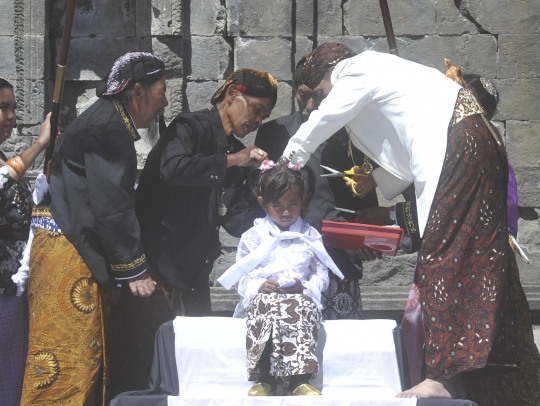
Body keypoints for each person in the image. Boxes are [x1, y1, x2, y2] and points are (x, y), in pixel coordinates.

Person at [280, 42, 540, 404]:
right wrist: (378, 179)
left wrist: (290, 157)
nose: (321, 101)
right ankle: (511, 376)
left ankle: (441, 376)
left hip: (459, 145)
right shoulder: (392, 73)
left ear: (330, 73)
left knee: (442, 254)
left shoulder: (355, 70)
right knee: (482, 257)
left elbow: (328, 116)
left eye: (321, 92)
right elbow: (407, 139)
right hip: (477, 141)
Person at [20, 52, 167, 405]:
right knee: (67, 359)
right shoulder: (108, 128)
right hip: (66, 251)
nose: (164, 102)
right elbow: (110, 206)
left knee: (83, 353)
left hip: (72, 246)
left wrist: (112, 276)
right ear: (138, 93)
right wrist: (135, 271)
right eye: (162, 91)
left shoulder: (108, 121)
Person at [136, 68, 276, 318]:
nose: (259, 122)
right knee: (155, 348)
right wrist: (232, 161)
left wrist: (269, 197)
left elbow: (235, 222)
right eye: (257, 110)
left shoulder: (236, 154)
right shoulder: (188, 126)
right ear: (232, 93)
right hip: (157, 266)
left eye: (264, 117)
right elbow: (173, 169)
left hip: (196, 273)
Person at [253, 55, 380, 320]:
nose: (310, 106)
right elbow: (260, 193)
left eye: (319, 98)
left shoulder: (354, 133)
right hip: (284, 260)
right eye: (303, 96)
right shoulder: (273, 133)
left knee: (340, 346)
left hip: (338, 255)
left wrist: (368, 238)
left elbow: (365, 195)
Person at [217, 161, 344, 396]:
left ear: (303, 201)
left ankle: (300, 380)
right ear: (263, 203)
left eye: (293, 204)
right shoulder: (253, 237)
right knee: (266, 308)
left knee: (300, 307)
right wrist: (259, 286)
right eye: (278, 206)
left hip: (299, 297)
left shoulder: (309, 235)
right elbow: (241, 276)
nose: (286, 212)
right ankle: (263, 377)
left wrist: (304, 287)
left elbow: (320, 273)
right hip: (263, 298)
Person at [0, 78, 51, 406]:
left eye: (13, 108)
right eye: (3, 108)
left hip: (12, 288)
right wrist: (40, 143)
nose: (11, 116)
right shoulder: (7, 167)